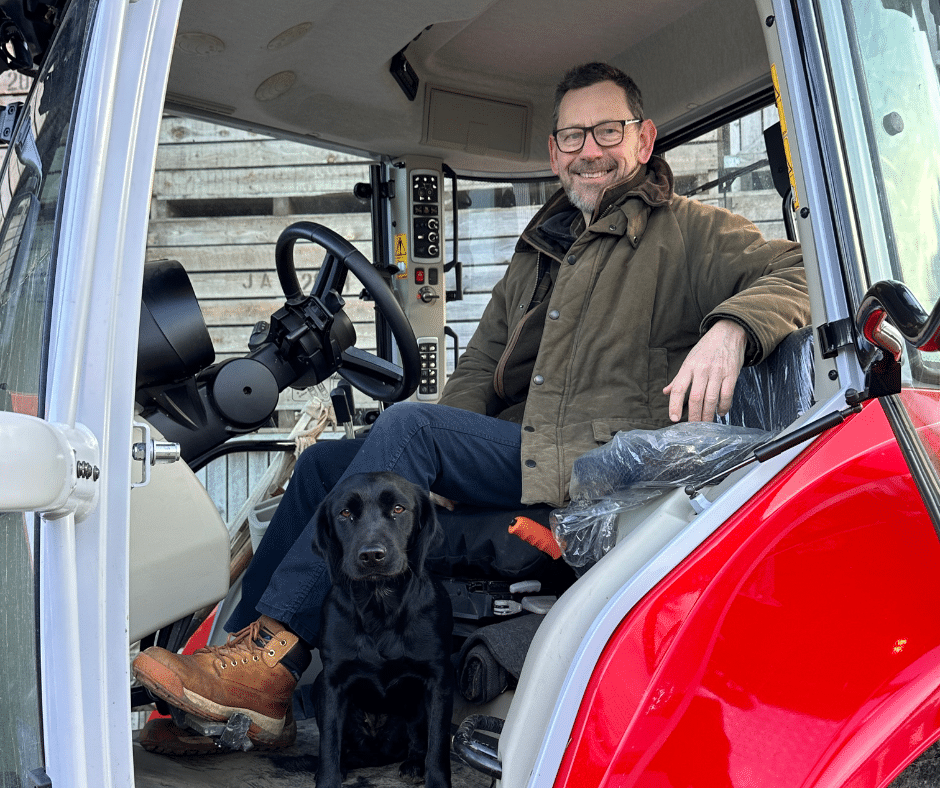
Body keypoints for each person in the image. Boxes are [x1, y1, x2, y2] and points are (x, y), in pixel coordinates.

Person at [132, 62, 810, 751]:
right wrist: (435, 468)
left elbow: (800, 269)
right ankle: (244, 683)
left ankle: (272, 662)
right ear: (554, 153)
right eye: (572, 136)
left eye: (608, 130)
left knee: (409, 425)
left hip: (594, 469)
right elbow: (480, 367)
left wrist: (732, 330)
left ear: (644, 138)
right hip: (519, 449)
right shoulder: (543, 248)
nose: (589, 150)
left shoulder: (690, 232)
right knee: (325, 472)